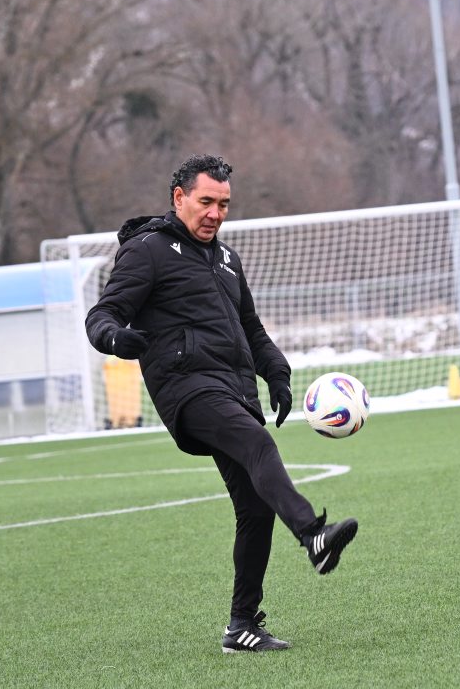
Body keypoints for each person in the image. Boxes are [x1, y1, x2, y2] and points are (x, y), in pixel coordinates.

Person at [85, 154, 358, 653]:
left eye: (224, 204)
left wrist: (275, 370)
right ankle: (313, 536)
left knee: (255, 508)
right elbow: (102, 313)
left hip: (234, 387)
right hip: (186, 387)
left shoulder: (227, 258)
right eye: (206, 202)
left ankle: (241, 626)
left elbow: (249, 326)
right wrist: (115, 337)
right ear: (179, 198)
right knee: (258, 444)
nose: (215, 213)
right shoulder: (148, 250)